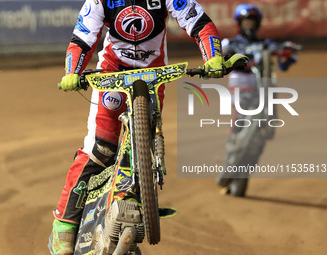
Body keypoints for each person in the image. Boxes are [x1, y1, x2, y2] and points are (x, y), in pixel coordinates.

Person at [48, 0, 225, 254]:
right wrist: (71, 71)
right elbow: (82, 38)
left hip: (153, 77)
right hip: (111, 75)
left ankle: (137, 196)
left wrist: (213, 57)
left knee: (145, 147)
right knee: (100, 149)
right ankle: (64, 221)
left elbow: (198, 21)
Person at [216, 4, 298, 194]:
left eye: (252, 22)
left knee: (265, 133)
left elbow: (284, 63)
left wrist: (289, 54)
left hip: (265, 90)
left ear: (258, 23)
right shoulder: (229, 43)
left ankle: (242, 172)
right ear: (238, 23)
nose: (249, 25)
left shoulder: (266, 44)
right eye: (246, 21)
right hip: (241, 90)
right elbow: (216, 61)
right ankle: (230, 163)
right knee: (239, 124)